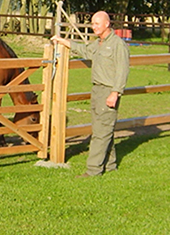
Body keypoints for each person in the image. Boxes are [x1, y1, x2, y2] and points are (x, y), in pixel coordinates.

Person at [52, 11, 130, 176]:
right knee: (102, 130)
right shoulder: (98, 43)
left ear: (107, 24)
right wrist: (63, 41)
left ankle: (93, 170)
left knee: (101, 133)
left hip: (108, 91)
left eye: (97, 24)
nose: (94, 27)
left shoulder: (117, 45)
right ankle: (110, 165)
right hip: (97, 90)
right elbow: (83, 50)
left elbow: (122, 71)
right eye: (92, 24)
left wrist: (115, 93)